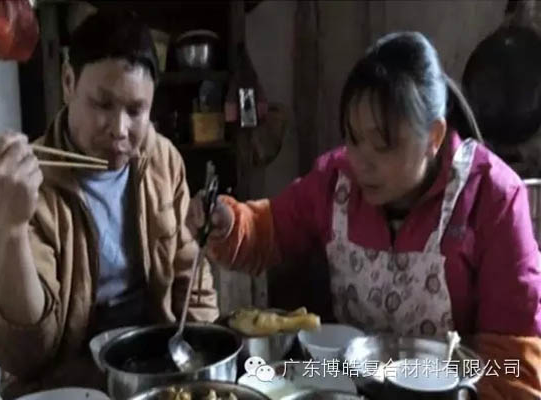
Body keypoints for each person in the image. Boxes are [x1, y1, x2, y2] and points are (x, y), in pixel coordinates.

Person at [188, 32, 541, 398]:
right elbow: (267, 229)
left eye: (383, 145)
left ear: (434, 137)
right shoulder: (335, 182)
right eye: (353, 139)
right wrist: (227, 224)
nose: (362, 162)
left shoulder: (493, 198)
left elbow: (514, 367)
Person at [0, 10, 218, 396]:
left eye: (135, 111)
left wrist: (206, 360)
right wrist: (11, 230)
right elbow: (23, 354)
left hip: (152, 365)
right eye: (103, 104)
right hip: (64, 378)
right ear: (68, 82)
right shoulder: (27, 183)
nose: (119, 130)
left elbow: (191, 274)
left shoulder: (162, 160)